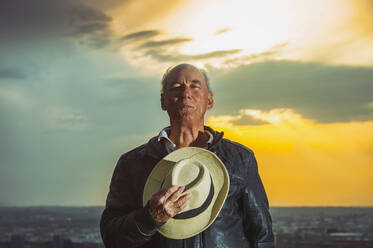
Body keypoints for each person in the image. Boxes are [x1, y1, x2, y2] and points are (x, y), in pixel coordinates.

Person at [100, 63, 275, 248]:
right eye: (176, 87)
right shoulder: (132, 164)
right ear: (163, 101)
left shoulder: (240, 159)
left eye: (195, 86)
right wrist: (149, 218)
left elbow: (262, 238)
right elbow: (112, 237)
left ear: (210, 101)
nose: (186, 93)